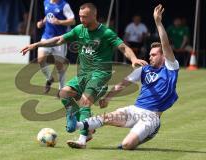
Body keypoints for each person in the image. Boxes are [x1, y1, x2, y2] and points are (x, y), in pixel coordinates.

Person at [20, 3, 147, 148]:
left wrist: (134, 59)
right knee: (64, 93)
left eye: (85, 17)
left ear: (94, 15)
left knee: (84, 102)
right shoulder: (79, 29)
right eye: (80, 16)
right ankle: (76, 120)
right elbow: (59, 39)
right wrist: (36, 44)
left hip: (100, 74)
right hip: (83, 75)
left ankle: (82, 139)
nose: (81, 20)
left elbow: (123, 47)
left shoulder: (106, 33)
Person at [66, 4, 179, 149]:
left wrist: (158, 22)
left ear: (164, 56)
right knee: (106, 117)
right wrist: (108, 97)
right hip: (135, 110)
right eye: (149, 54)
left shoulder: (171, 67)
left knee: (126, 145)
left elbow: (165, 44)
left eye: (154, 55)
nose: (150, 57)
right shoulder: (144, 69)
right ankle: (77, 125)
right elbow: (124, 82)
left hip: (151, 117)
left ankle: (148, 133)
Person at [37, 0, 75, 95]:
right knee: (40, 59)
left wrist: (59, 22)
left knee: (59, 66)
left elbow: (73, 21)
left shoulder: (64, 5)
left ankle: (61, 90)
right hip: (46, 37)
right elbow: (49, 15)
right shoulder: (46, 2)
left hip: (60, 39)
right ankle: (49, 79)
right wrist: (42, 22)